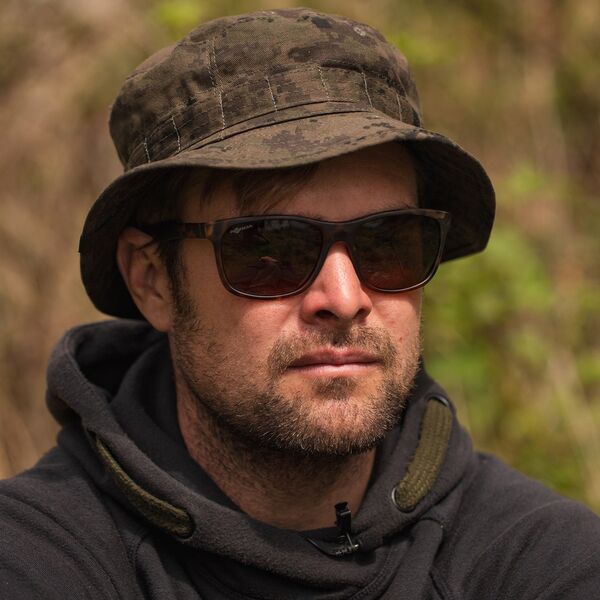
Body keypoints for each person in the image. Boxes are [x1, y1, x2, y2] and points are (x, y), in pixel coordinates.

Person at [1, 7, 599, 599]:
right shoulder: (38, 559)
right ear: (153, 279)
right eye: (270, 249)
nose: (344, 298)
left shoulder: (542, 562)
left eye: (388, 242)